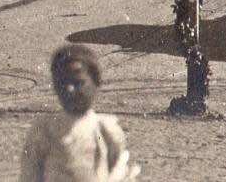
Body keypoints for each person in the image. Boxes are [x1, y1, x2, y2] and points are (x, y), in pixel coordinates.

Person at [20, 44, 139, 182]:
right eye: (62, 82)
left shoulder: (105, 130)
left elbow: (120, 173)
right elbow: (29, 176)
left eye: (78, 83)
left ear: (96, 82)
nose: (69, 89)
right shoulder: (44, 130)